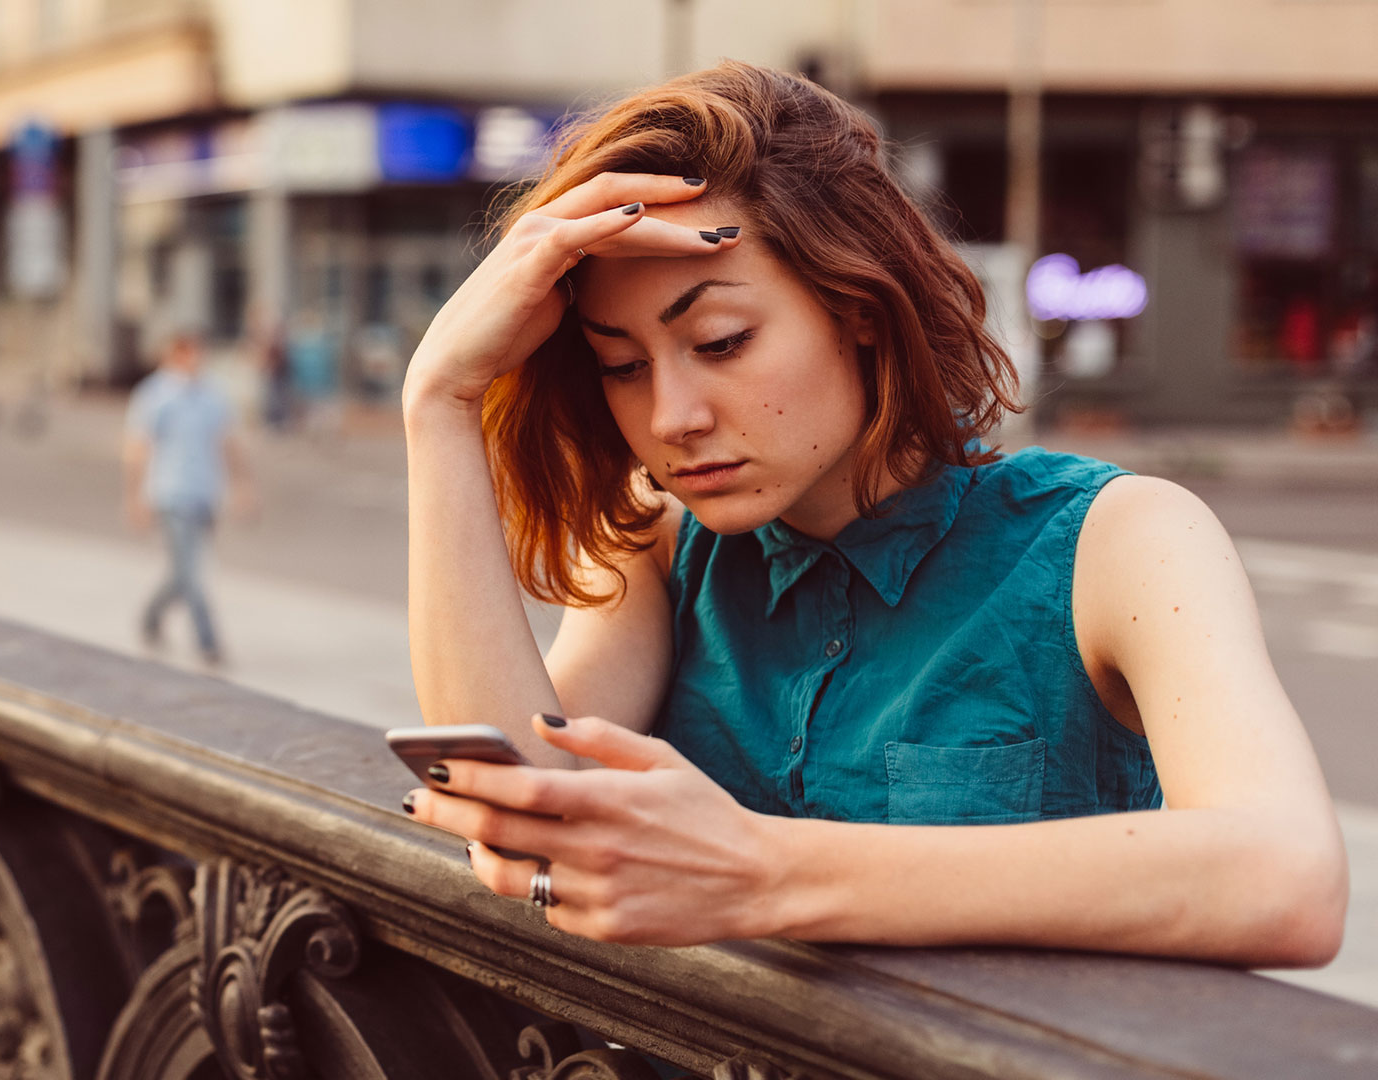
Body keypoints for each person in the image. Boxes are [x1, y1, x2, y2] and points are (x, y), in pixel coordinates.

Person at [399, 62, 1347, 966]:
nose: (671, 417)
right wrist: (439, 400)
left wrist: (764, 873)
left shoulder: (1121, 542)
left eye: (721, 342)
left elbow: (1286, 878)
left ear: (858, 304)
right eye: (624, 366)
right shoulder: (661, 543)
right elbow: (525, 821)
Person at [124, 326, 252, 665]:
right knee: (193, 572)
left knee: (182, 573)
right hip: (169, 493)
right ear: (176, 354)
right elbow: (138, 449)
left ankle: (151, 617)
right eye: (192, 352)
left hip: (204, 493)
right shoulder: (155, 395)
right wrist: (135, 498)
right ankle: (208, 643)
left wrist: (242, 487)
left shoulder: (212, 395)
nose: (199, 359)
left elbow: (228, 443)